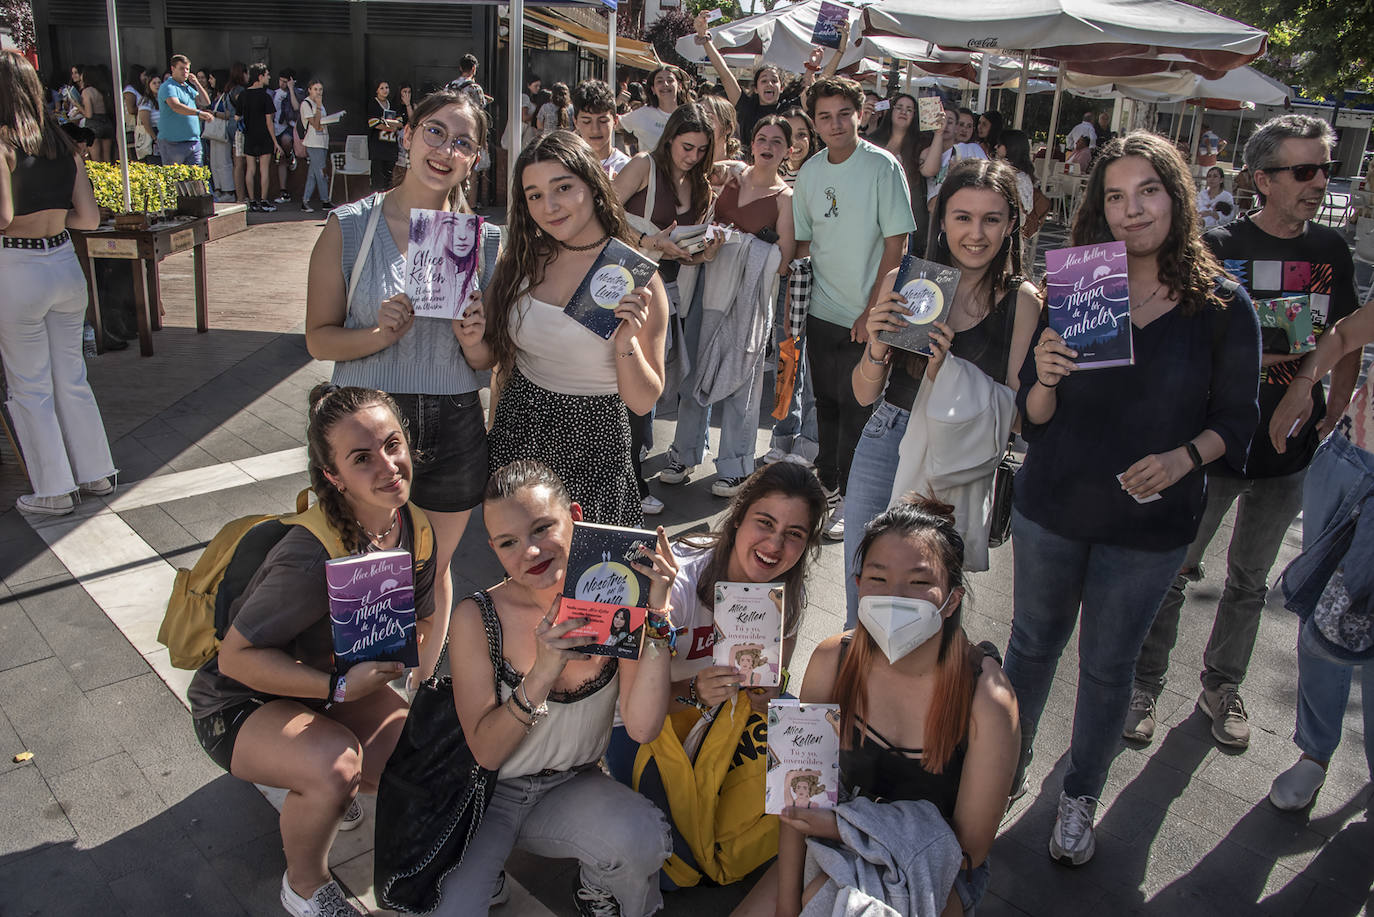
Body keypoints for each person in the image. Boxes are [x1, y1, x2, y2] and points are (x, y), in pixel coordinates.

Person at [1006, 131, 1261, 866]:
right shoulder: (1082, 283)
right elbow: (1033, 417)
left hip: (1149, 527)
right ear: (1100, 207)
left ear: (1177, 197)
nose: (1132, 209)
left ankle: (1079, 795)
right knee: (1031, 648)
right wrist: (1043, 375)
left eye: (1148, 191)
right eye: (1115, 196)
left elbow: (1237, 423)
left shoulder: (1221, 304)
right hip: (1053, 506)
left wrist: (1184, 458)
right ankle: (1005, 769)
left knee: (1108, 667)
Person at [1124, 115, 1359, 752]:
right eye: (1304, 170)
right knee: (1174, 570)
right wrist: (1282, 354)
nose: (1319, 182)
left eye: (1325, 169)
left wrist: (1332, 404)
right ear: (1263, 179)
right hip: (1214, 445)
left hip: (1290, 453)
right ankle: (1144, 685)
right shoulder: (1217, 245)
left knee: (1251, 582)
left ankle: (1222, 686)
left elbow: (1345, 337)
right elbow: (1188, 342)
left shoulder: (1331, 251)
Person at [187, 384, 441, 917]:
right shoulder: (309, 554)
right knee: (335, 767)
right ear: (333, 476)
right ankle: (304, 885)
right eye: (362, 458)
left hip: (329, 682)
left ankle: (324, 787)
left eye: (392, 444)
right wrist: (340, 687)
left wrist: (408, 651)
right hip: (238, 700)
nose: (388, 466)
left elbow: (419, 617)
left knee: (422, 754)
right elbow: (235, 659)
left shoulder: (413, 524)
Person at [732, 496, 1020, 917]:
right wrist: (788, 904)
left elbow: (969, 850)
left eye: (918, 583)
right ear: (858, 584)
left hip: (930, 866)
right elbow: (795, 799)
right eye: (878, 578)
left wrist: (844, 826)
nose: (894, 597)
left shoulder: (988, 699)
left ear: (952, 599)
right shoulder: (832, 661)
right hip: (827, 839)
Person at [432, 459, 675, 917]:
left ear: (575, 518)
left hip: (570, 784)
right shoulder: (477, 616)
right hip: (485, 793)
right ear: (494, 549)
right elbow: (486, 754)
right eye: (509, 542)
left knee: (643, 840)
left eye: (542, 528)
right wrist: (542, 673)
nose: (530, 551)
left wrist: (658, 615)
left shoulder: (615, 596)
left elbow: (642, 728)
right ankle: (486, 870)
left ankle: (596, 887)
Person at [305, 88, 495, 671]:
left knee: (433, 570)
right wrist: (377, 335)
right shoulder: (349, 227)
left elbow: (487, 360)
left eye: (462, 142)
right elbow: (318, 339)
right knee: (367, 570)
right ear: (408, 136)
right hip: (367, 424)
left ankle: (420, 691)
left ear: (475, 159)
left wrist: (474, 338)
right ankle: (368, 693)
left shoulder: (481, 241)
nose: (445, 150)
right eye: (434, 132)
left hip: (453, 421)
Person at [844, 158, 1039, 623]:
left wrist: (948, 374)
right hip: (888, 436)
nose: (976, 233)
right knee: (864, 600)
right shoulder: (907, 282)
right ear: (943, 221)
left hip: (957, 453)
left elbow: (1019, 419)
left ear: (1011, 224)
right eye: (963, 217)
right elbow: (865, 395)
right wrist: (876, 345)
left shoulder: (1022, 301)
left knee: (930, 609)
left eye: (991, 219)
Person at [462, 130, 669, 528]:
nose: (550, 206)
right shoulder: (520, 260)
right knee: (523, 556)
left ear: (592, 185)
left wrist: (626, 343)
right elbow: (491, 358)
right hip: (519, 427)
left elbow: (643, 402)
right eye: (534, 195)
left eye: (563, 188)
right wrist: (471, 340)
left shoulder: (634, 275)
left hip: (594, 440)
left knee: (585, 563)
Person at [792, 76, 916, 541]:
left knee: (859, 409)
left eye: (844, 114)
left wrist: (872, 311)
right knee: (825, 403)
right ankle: (827, 484)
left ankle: (852, 495)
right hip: (820, 309)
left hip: (869, 316)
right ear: (814, 122)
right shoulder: (809, 172)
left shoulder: (882, 166)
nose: (835, 124)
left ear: (860, 115)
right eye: (825, 116)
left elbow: (898, 244)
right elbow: (805, 243)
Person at [1264, 291, 1374, 811]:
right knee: (1321, 619)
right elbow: (1347, 332)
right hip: (1351, 461)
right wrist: (1304, 384)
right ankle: (1314, 753)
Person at [0, 49, 118, 516]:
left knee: (29, 384)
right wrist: (52, 217)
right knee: (71, 375)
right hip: (64, 262)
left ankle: (53, 489)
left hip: (18, 267)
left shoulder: (3, 146)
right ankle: (96, 472)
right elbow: (87, 218)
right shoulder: (64, 144)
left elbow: (3, 217)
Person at [659, 116, 796, 499]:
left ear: (788, 150)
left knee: (742, 384)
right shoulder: (730, 175)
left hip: (748, 300)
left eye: (777, 141)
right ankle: (684, 454)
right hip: (706, 286)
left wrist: (743, 246)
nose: (768, 146)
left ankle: (736, 467)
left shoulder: (785, 198)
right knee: (693, 373)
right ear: (752, 143)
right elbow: (695, 172)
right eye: (762, 138)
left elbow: (783, 259)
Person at [613, 104, 717, 515]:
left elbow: (688, 252)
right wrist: (650, 241)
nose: (692, 156)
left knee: (649, 388)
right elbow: (603, 214)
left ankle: (629, 478)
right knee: (624, 389)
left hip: (668, 293)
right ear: (670, 138)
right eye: (687, 146)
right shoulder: (644, 165)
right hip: (626, 286)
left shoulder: (701, 184)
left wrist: (704, 251)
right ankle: (630, 484)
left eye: (701, 150)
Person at [691, 10, 818, 142]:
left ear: (781, 87)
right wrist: (704, 38)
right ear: (756, 88)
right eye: (764, 81)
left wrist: (812, 67)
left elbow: (810, 93)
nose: (769, 84)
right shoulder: (747, 107)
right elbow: (724, 74)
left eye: (774, 80)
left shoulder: (788, 109)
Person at [866, 93, 931, 256]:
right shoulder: (873, 140)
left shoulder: (920, 144)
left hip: (904, 223)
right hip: (872, 219)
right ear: (891, 111)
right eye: (899, 107)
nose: (903, 112)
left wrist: (939, 133)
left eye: (909, 110)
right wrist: (863, 121)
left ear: (914, 115)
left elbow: (930, 169)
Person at [920, 105, 988, 205]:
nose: (944, 125)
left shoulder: (973, 149)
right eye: (942, 121)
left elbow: (987, 179)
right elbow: (932, 205)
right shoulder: (927, 153)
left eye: (950, 122)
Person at [156, 54, 212, 166]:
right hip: (173, 143)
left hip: (193, 141)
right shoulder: (168, 86)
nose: (185, 72)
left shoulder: (187, 87)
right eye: (182, 68)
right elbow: (175, 106)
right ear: (173, 69)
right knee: (175, 176)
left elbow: (205, 102)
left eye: (187, 69)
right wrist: (198, 113)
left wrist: (196, 83)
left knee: (196, 176)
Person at [618, 65, 688, 153]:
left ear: (679, 86)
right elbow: (612, 123)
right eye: (659, 81)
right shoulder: (643, 114)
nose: (665, 84)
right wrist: (616, 103)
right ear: (653, 89)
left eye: (670, 80)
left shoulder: (688, 115)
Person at [239, 63, 279, 212]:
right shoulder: (265, 96)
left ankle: (252, 201)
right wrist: (275, 142)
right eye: (267, 75)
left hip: (249, 135)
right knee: (264, 170)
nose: (269, 77)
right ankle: (264, 200)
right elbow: (269, 122)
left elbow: (238, 117)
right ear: (260, 76)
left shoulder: (243, 95)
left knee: (250, 169)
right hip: (264, 136)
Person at [572, 79, 629, 177]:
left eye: (603, 121)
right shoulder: (567, 167)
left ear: (615, 121)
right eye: (587, 121)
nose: (595, 129)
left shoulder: (628, 169)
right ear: (575, 122)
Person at [297, 79, 333, 213]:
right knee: (321, 173)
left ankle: (305, 201)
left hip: (323, 142)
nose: (318, 92)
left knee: (313, 174)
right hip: (313, 143)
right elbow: (316, 125)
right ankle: (325, 200)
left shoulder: (320, 104)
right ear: (309, 90)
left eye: (320, 89)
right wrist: (318, 106)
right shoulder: (306, 104)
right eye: (315, 89)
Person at [272, 69, 303, 204]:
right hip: (276, 128)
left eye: (286, 82)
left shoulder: (297, 92)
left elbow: (296, 108)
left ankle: (291, 155)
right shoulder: (274, 93)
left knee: (286, 141)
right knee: (281, 159)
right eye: (281, 81)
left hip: (290, 127)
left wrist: (291, 89)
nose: (282, 84)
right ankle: (283, 191)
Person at [72, 63, 113, 162]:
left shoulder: (87, 92)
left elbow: (89, 114)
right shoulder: (103, 90)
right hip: (107, 123)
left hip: (93, 125)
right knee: (107, 158)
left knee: (96, 160)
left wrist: (77, 105)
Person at [206, 70, 237, 200]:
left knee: (224, 161)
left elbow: (229, 114)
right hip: (213, 133)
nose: (209, 81)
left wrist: (213, 114)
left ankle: (228, 191)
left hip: (222, 131)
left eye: (212, 78)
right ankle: (218, 188)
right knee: (214, 161)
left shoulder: (226, 96)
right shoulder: (213, 95)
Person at [367, 80, 403, 191]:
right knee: (377, 177)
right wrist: (391, 127)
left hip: (390, 147)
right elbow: (373, 123)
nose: (385, 90)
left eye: (386, 87)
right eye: (382, 88)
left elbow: (400, 123)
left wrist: (389, 124)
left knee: (389, 179)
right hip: (378, 147)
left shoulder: (392, 105)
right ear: (377, 90)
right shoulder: (373, 104)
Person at [777, 107, 816, 189]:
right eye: (788, 136)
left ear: (811, 137)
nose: (794, 142)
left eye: (801, 134)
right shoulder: (770, 175)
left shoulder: (822, 172)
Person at [135, 74, 161, 163]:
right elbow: (145, 122)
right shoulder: (146, 101)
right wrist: (155, 138)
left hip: (162, 131)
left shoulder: (161, 99)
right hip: (152, 133)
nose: (157, 85)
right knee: (154, 161)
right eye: (154, 83)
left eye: (159, 82)